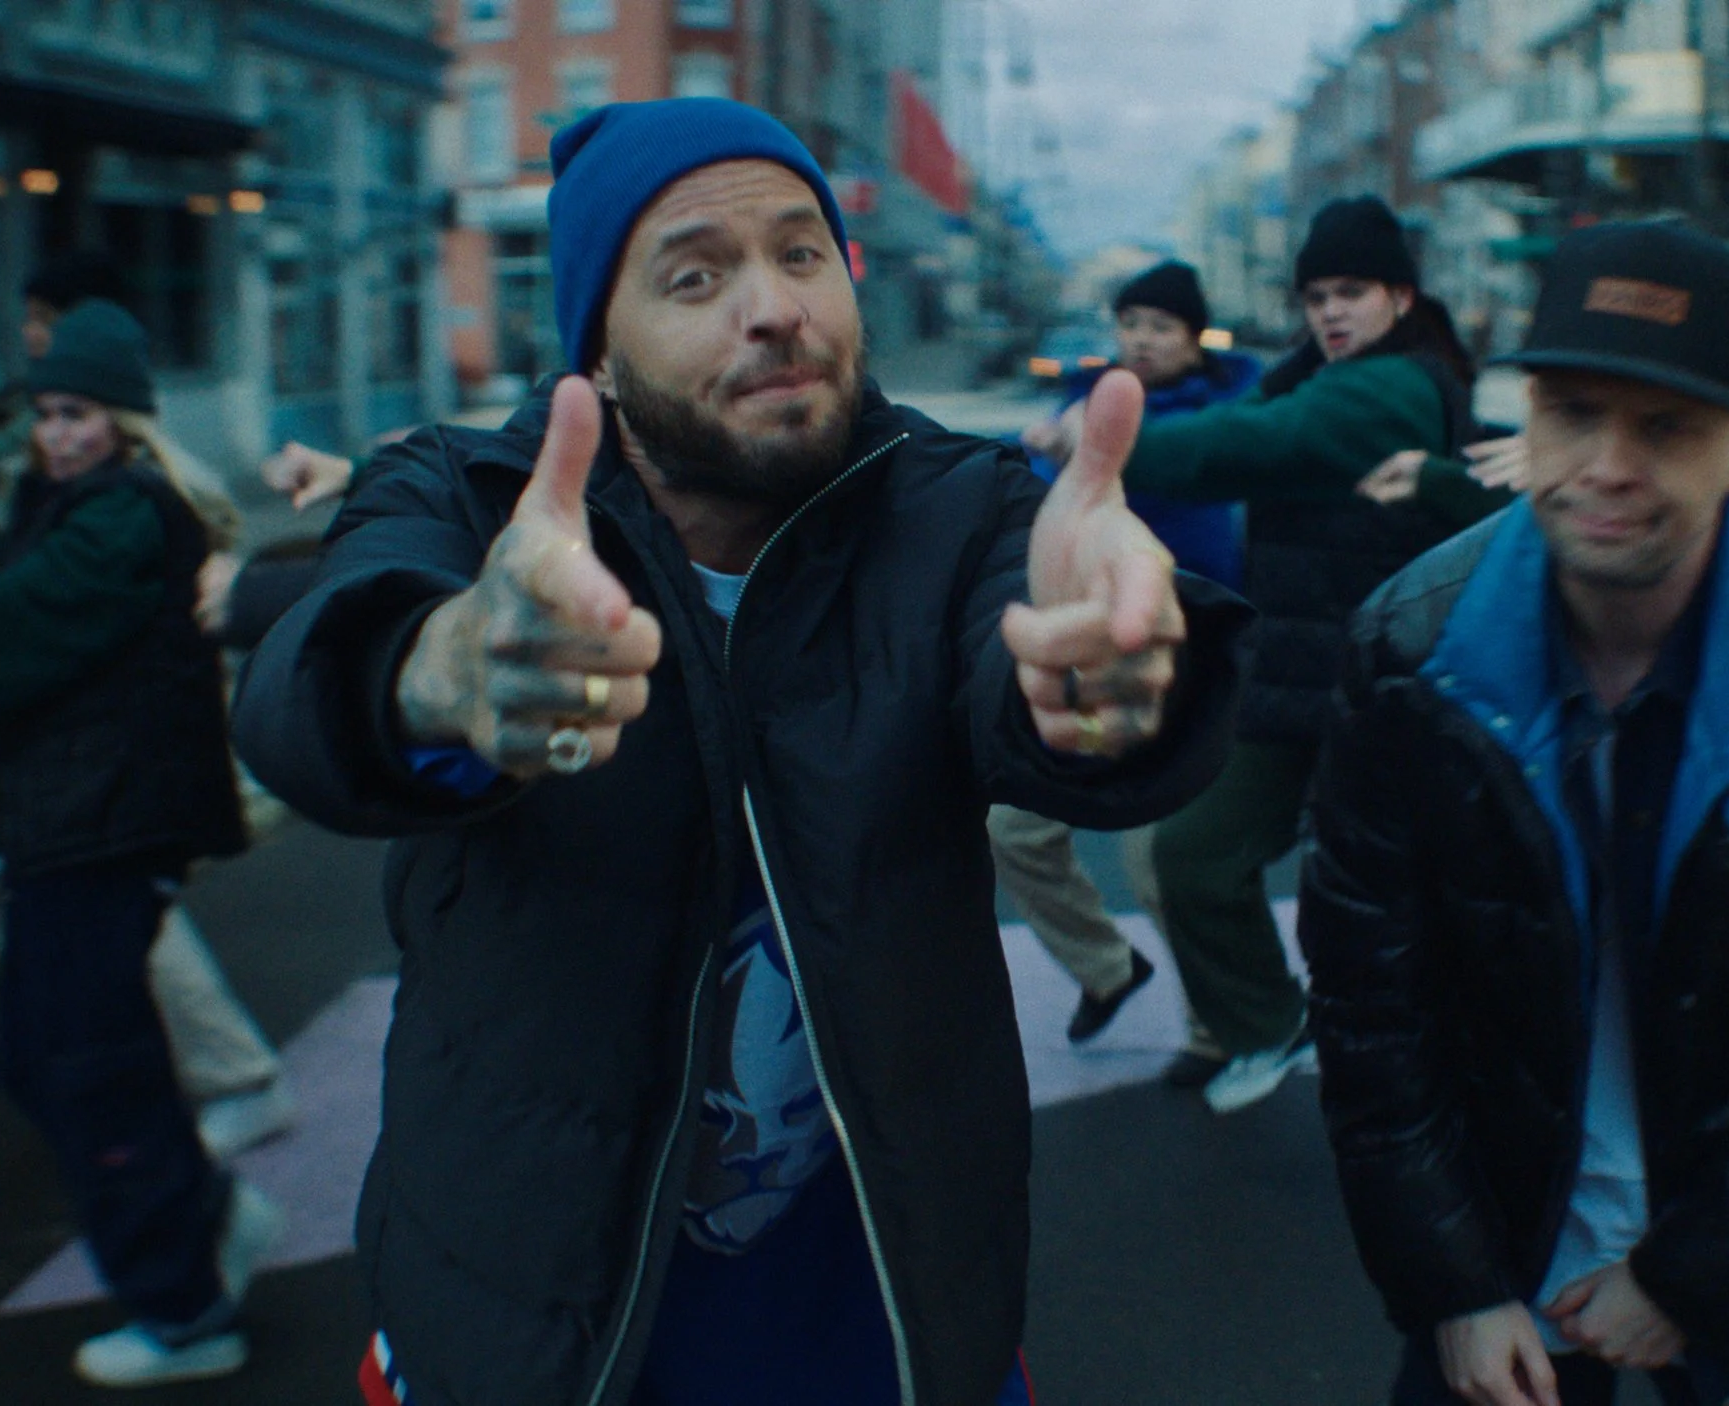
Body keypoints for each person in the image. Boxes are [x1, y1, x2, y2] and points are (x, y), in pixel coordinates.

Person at [229, 98, 1247, 1406]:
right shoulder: (467, 496)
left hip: (890, 1326)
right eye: (695, 276)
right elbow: (321, 672)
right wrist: (441, 673)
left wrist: (1107, 671)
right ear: (599, 354)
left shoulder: (961, 506)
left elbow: (1038, 679)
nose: (774, 308)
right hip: (528, 1325)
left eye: (801, 251)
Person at [1301, 220, 1729, 1406]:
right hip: (1516, 1227)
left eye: (1665, 426)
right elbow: (1375, 1008)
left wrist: (1692, 1277)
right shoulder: (1408, 654)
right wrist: (1453, 1284)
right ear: (1526, 421)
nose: (1609, 465)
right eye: (1573, 413)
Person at [0, 299, 283, 1387]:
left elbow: (15, 619)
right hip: (69, 821)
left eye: (77, 414)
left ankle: (187, 1313)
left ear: (125, 420)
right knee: (46, 1058)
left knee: (90, 1071)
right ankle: (208, 1214)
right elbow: (11, 580)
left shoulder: (123, 516)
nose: (55, 433)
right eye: (46, 413)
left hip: (102, 824)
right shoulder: (77, 506)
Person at [1091, 194, 1504, 1112]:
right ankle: (1269, 1024)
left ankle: (1436, 1081)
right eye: (1316, 296)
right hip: (1294, 681)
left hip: (1380, 691)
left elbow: (1241, 444)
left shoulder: (1390, 387)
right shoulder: (1314, 374)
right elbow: (1250, 415)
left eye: (1351, 292)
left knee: (1386, 900)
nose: (1330, 312)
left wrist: (1102, 447)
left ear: (1400, 297)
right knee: (1194, 854)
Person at [998, 259, 1258, 1042]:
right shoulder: (1089, 396)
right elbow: (1047, 494)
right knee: (1014, 832)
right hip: (1083, 654)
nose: (1142, 339)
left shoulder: (1225, 408)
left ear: (1194, 336)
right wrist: (1044, 447)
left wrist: (1094, 441)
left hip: (1178, 661)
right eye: (1131, 323)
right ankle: (1107, 968)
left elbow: (1196, 459)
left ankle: (1218, 1028)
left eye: (1162, 326)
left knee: (1159, 863)